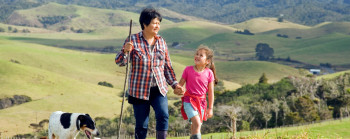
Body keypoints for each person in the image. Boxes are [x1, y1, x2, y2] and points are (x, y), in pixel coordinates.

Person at [115, 8, 184, 139]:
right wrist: (125, 51)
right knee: (142, 124)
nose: (157, 26)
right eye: (154, 23)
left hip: (159, 88)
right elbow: (120, 62)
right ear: (145, 24)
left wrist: (175, 85)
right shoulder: (132, 40)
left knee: (163, 115)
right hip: (139, 90)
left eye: (159, 23)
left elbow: (167, 67)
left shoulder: (162, 42)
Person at [174, 45, 218, 139]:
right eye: (197, 54)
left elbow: (210, 93)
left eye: (201, 55)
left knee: (195, 127)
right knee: (197, 123)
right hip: (188, 101)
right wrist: (178, 90)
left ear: (207, 61)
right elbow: (179, 86)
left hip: (201, 103)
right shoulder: (188, 70)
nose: (197, 56)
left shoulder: (209, 73)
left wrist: (210, 108)